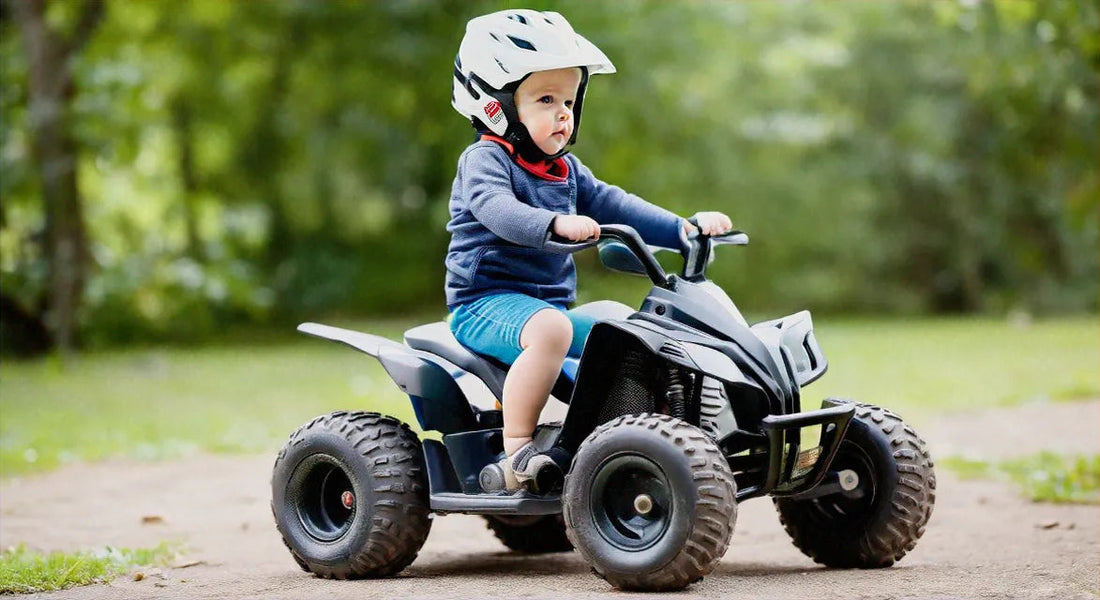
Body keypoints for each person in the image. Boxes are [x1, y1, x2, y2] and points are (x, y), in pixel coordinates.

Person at [446, 9, 733, 490]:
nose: (564, 112)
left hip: (544, 308)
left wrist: (682, 228)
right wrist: (553, 223)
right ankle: (517, 453)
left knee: (624, 327)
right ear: (494, 105)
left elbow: (617, 204)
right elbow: (497, 209)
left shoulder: (567, 171)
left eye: (570, 100)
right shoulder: (484, 161)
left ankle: (622, 439)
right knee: (553, 330)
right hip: (483, 304)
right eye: (546, 99)